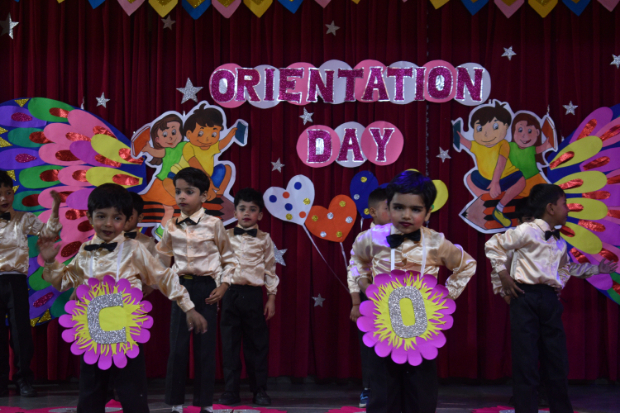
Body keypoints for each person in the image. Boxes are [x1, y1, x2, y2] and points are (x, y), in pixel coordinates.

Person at [38, 183, 207, 413]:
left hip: (126, 334)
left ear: (127, 221)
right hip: (92, 333)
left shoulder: (134, 249)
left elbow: (163, 277)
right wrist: (50, 262)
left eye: (117, 218)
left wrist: (188, 307)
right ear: (89, 217)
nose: (109, 223)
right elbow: (64, 280)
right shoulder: (85, 250)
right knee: (90, 393)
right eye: (101, 216)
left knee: (132, 392)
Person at [349, 170, 477, 413]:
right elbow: (357, 261)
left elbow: (467, 264)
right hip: (383, 327)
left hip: (422, 330)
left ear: (428, 213)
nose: (406, 215)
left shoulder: (437, 242)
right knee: (383, 392)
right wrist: (364, 284)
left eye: (416, 209)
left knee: (421, 393)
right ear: (388, 207)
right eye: (398, 207)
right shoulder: (371, 238)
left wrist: (445, 296)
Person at [485, 184, 617, 413]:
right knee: (526, 361)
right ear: (551, 208)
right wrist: (503, 275)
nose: (568, 209)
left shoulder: (559, 242)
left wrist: (596, 270)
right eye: (564, 204)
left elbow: (566, 269)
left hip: (548, 300)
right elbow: (493, 244)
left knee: (557, 361)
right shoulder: (527, 231)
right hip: (524, 297)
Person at [156, 167, 237, 413]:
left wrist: (224, 285)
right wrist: (160, 279)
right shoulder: (171, 226)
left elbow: (230, 259)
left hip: (207, 289)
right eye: (178, 191)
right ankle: (176, 404)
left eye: (189, 191)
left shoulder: (215, 224)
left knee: (205, 349)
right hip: (181, 288)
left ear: (203, 196)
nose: (181, 196)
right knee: (178, 348)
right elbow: (162, 260)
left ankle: (205, 404)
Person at [0, 171, 62, 397]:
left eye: (8, 192)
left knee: (21, 333)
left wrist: (55, 207)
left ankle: (23, 379)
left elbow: (48, 233)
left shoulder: (23, 219)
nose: (4, 198)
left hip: (15, 280)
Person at [218, 188, 278, 407]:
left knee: (257, 345)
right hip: (229, 293)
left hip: (253, 295)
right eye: (242, 208)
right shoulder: (224, 236)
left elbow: (270, 269)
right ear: (235, 212)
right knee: (229, 345)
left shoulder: (264, 239)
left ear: (260, 215)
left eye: (252, 209)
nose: (246, 213)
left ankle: (259, 390)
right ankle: (230, 390)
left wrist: (271, 297)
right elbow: (217, 267)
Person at [347, 187, 390, 408]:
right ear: (373, 211)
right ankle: (368, 388)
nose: (394, 212)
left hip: (396, 298)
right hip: (370, 300)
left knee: (395, 345)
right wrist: (356, 302)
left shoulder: (403, 235)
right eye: (388, 208)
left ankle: (393, 389)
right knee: (370, 346)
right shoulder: (364, 238)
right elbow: (354, 270)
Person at [455, 101, 526, 227]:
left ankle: (499, 208)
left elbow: (500, 163)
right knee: (470, 178)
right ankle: (487, 201)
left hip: (506, 177)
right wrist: (457, 133)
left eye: (495, 127)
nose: (486, 134)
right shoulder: (477, 145)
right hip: (486, 180)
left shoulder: (503, 144)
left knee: (521, 181)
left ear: (505, 126)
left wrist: (495, 182)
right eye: (479, 129)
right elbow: (464, 141)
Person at [173, 104, 237, 201]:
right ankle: (207, 194)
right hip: (190, 179)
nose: (207, 139)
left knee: (227, 168)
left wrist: (231, 134)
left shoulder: (211, 146)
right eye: (200, 133)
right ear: (189, 134)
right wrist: (209, 184)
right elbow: (196, 167)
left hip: (207, 178)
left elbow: (221, 144)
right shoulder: (189, 147)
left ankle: (218, 196)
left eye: (213, 134)